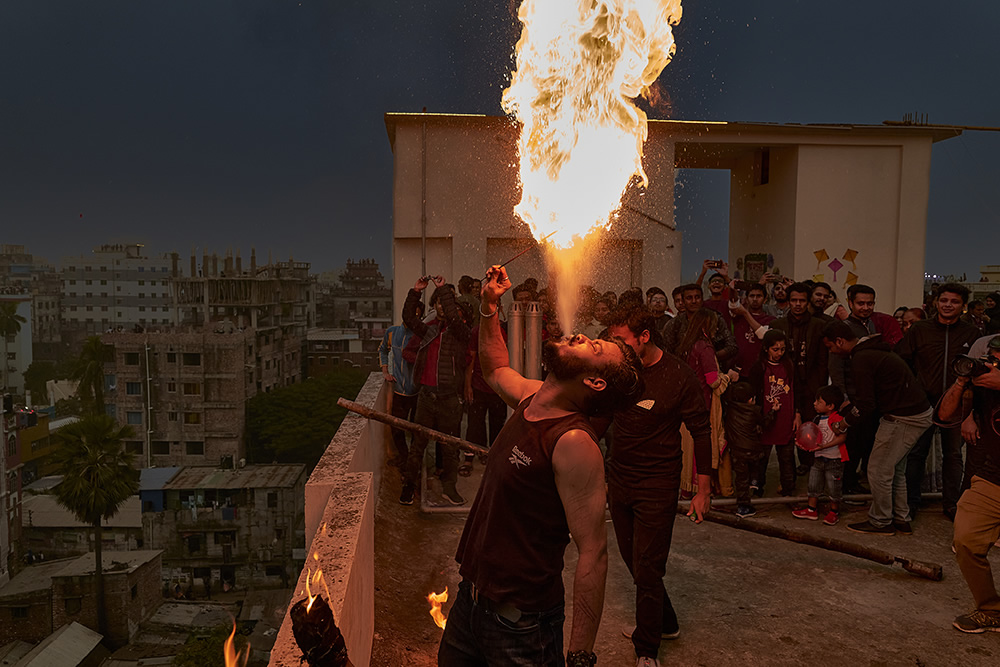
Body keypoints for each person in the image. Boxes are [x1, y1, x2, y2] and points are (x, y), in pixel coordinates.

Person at [439, 266, 643, 667]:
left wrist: (580, 655)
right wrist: (488, 306)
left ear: (595, 383)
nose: (583, 336)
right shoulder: (534, 398)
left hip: (520, 630)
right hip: (470, 605)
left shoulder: (574, 443)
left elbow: (593, 553)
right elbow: (496, 369)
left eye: (596, 348)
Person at [605, 306, 712, 667]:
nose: (614, 346)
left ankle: (646, 650)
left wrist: (703, 490)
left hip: (657, 484)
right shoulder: (620, 371)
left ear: (644, 337)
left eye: (621, 340)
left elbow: (701, 431)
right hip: (619, 479)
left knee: (648, 567)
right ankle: (664, 622)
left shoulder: (679, 376)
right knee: (634, 561)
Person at [823, 321, 932, 535]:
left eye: (830, 347)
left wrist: (843, 424)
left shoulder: (862, 359)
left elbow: (866, 404)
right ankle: (901, 518)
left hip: (904, 417)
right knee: (895, 468)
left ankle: (881, 521)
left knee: (877, 470)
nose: (832, 352)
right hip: (915, 413)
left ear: (840, 341)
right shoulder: (871, 351)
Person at [897, 282, 980, 521]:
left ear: (963, 307)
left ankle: (952, 504)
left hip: (958, 405)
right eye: (944, 300)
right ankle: (911, 502)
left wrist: (971, 409)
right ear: (936, 302)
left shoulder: (972, 334)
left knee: (953, 456)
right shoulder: (919, 330)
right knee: (916, 454)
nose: (948, 305)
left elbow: (977, 371)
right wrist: (911, 392)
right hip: (923, 404)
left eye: (954, 302)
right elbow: (902, 362)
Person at [937, 335, 1000, 633]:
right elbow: (945, 414)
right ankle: (990, 609)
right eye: (993, 359)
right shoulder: (983, 385)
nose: (994, 366)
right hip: (993, 476)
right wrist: (964, 381)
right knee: (965, 540)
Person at [400, 275, 471, 507]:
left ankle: (449, 488)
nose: (442, 306)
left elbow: (453, 317)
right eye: (438, 302)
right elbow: (409, 318)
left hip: (450, 399)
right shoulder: (429, 331)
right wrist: (415, 291)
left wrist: (442, 291)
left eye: (447, 302)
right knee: (417, 446)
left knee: (450, 449)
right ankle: (409, 486)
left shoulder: (461, 334)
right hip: (426, 398)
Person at [748, 329, 798, 496]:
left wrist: (797, 414)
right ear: (766, 349)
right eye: (775, 349)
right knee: (761, 459)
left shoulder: (789, 365)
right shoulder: (759, 367)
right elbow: (753, 394)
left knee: (787, 460)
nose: (779, 353)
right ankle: (757, 488)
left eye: (782, 349)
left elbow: (797, 391)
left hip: (786, 420)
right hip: (766, 421)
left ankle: (788, 490)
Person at [791, 385, 848, 525]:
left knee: (834, 486)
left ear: (830, 406)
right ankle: (811, 510)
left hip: (834, 459)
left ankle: (834, 512)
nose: (814, 404)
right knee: (813, 484)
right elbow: (810, 436)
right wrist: (802, 444)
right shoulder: (816, 419)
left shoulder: (838, 419)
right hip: (818, 459)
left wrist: (824, 446)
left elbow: (842, 437)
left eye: (818, 402)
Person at [378, 301, 424, 468]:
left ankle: (413, 462)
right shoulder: (392, 332)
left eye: (417, 315)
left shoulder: (422, 336)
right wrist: (385, 371)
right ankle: (404, 459)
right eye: (411, 314)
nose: (413, 318)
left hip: (418, 393)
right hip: (399, 392)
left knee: (416, 431)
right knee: (396, 429)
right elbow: (383, 349)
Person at [461, 320, 508, 476]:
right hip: (479, 385)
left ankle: (490, 455)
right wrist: (468, 386)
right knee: (475, 423)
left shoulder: (502, 331)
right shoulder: (476, 331)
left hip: (498, 387)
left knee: (497, 424)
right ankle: (469, 456)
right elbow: (471, 360)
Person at [662, 284, 739, 369]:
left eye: (697, 297)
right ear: (683, 302)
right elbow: (667, 353)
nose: (694, 301)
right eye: (689, 298)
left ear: (702, 299)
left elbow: (732, 347)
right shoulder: (674, 324)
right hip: (683, 372)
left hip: (713, 369)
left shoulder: (715, 319)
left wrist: (708, 356)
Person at [724, 381, 764, 517]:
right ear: (750, 399)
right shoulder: (755, 411)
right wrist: (773, 412)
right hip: (752, 449)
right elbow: (765, 422)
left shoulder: (730, 410)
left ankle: (743, 506)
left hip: (737, 450)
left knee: (740, 479)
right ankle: (755, 481)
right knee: (757, 464)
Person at [730, 285, 774, 375]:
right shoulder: (738, 316)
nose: (755, 299)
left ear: (765, 299)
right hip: (738, 369)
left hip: (760, 369)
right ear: (746, 299)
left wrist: (745, 313)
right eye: (751, 296)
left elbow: (763, 335)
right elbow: (733, 304)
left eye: (759, 296)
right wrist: (732, 289)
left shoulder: (770, 320)